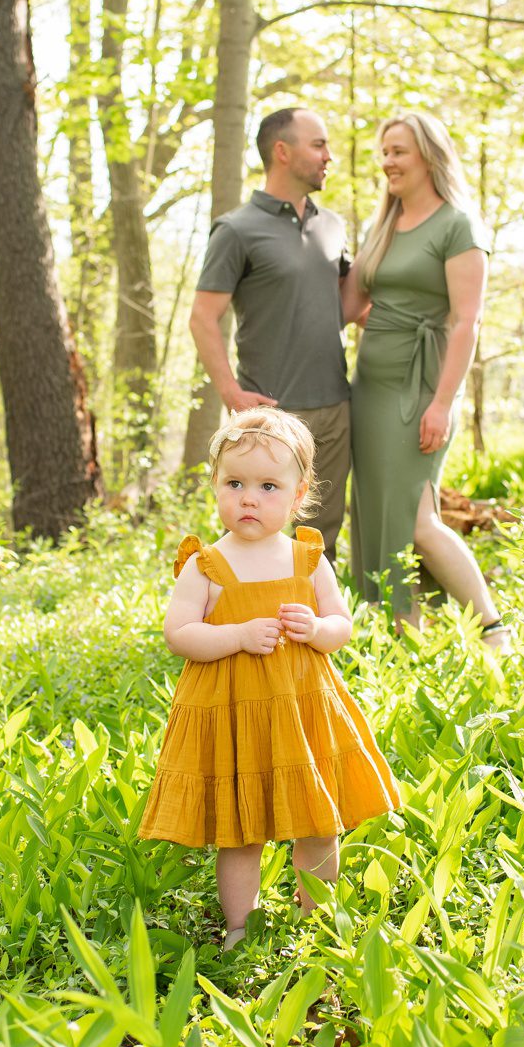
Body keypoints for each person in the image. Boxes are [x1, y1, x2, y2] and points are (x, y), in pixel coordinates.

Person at [138, 407, 401, 950]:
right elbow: (180, 634)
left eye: (267, 486)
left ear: (298, 491)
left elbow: (341, 625)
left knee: (316, 820)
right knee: (240, 830)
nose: (249, 498)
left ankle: (318, 920)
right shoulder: (204, 565)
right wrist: (234, 636)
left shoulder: (307, 560)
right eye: (234, 483)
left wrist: (317, 628)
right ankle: (241, 925)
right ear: (215, 485)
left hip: (301, 710)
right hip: (236, 713)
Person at [344, 112, 510, 651]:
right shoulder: (385, 224)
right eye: (384, 151)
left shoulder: (458, 224)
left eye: (398, 151)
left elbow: (467, 321)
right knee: (375, 511)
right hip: (370, 386)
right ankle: (403, 631)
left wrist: (442, 402)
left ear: (428, 156)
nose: (387, 161)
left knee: (416, 518)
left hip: (423, 389)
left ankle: (491, 628)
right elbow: (356, 304)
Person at [189, 108, 353, 560]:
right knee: (258, 537)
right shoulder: (236, 230)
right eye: (318, 145)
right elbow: (203, 317)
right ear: (282, 151)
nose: (329, 156)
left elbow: (351, 304)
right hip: (271, 415)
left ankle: (317, 630)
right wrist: (231, 392)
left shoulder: (332, 226)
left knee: (322, 541)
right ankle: (250, 628)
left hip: (335, 407)